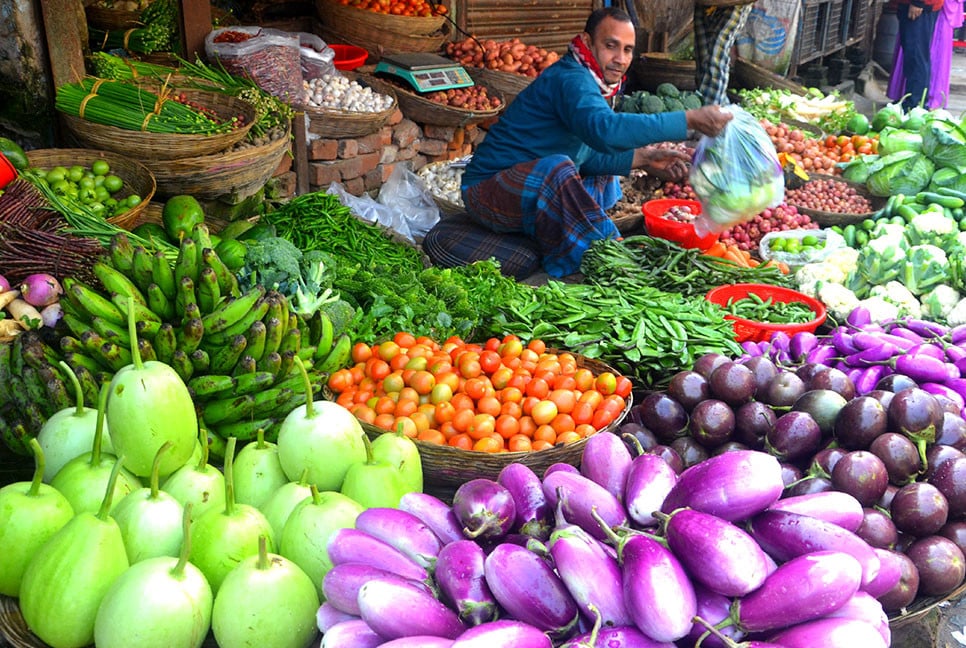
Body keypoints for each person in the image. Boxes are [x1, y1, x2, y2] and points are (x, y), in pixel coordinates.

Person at [439, 7, 732, 279]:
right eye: (611, 45)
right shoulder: (572, 79)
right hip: (487, 192)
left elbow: (587, 155)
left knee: (588, 170)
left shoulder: (594, 82)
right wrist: (689, 120)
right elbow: (604, 131)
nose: (620, 58)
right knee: (558, 168)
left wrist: (645, 158)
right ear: (587, 42)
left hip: (526, 187)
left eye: (628, 49)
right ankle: (606, 258)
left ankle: (576, 240)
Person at [888, 0, 962, 109]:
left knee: (917, 55)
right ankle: (914, 99)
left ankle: (915, 102)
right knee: (912, 54)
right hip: (912, 4)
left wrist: (918, 2)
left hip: (921, 5)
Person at [693, 2, 755, 106]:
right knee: (702, 55)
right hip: (705, 5)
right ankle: (716, 104)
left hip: (735, 5)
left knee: (716, 51)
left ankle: (712, 109)